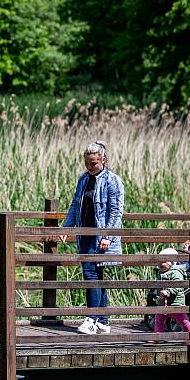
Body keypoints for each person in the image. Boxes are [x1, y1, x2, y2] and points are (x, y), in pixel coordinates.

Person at [63, 141, 124, 335]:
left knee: (90, 274)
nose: (90, 167)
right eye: (87, 163)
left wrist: (108, 235)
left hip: (101, 237)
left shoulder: (112, 180)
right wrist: (66, 227)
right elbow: (75, 205)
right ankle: (103, 320)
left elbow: (115, 212)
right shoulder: (83, 180)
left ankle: (91, 318)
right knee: (96, 275)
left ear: (103, 160)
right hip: (84, 235)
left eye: (94, 163)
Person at [154, 247, 190, 334]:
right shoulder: (160, 272)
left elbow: (178, 286)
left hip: (176, 303)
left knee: (183, 321)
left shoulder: (176, 272)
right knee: (159, 320)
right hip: (163, 303)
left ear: (171, 262)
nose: (160, 263)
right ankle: (157, 336)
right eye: (159, 261)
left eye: (162, 261)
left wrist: (168, 292)